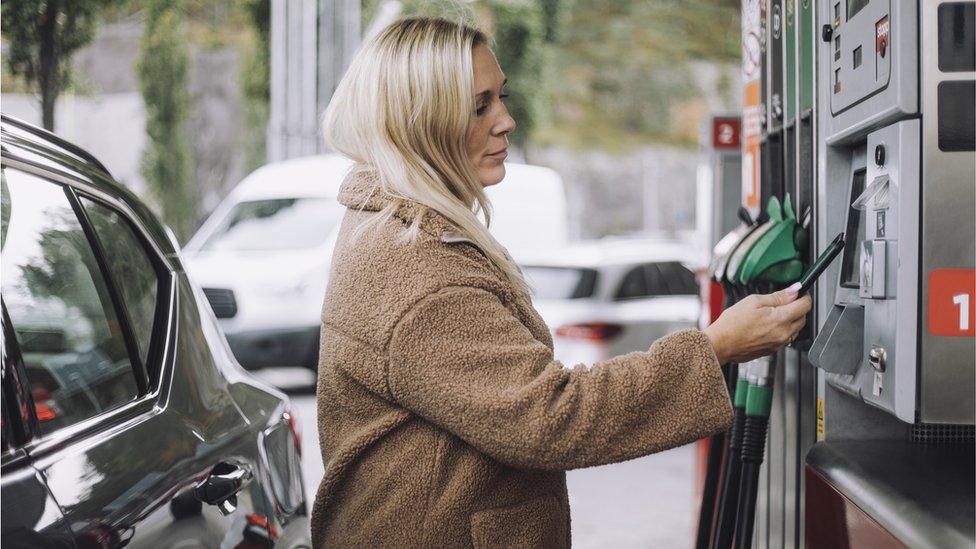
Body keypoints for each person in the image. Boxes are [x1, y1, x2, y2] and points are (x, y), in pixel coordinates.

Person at [311, 16, 812, 548]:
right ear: (420, 120)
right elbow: (550, 417)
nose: (505, 120)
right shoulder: (416, 267)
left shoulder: (387, 226)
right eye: (479, 105)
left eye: (500, 97)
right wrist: (714, 349)